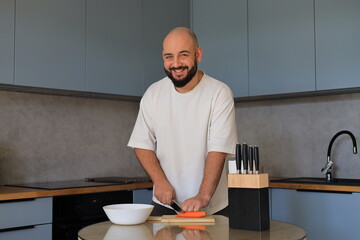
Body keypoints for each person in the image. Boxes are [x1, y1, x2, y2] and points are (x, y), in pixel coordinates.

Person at [128, 27, 237, 216]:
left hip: (211, 208)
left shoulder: (219, 93)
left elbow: (218, 149)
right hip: (166, 204)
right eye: (169, 56)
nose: (176, 64)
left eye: (183, 55)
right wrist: (160, 182)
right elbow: (141, 144)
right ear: (163, 57)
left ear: (198, 54)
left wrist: (203, 195)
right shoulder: (153, 93)